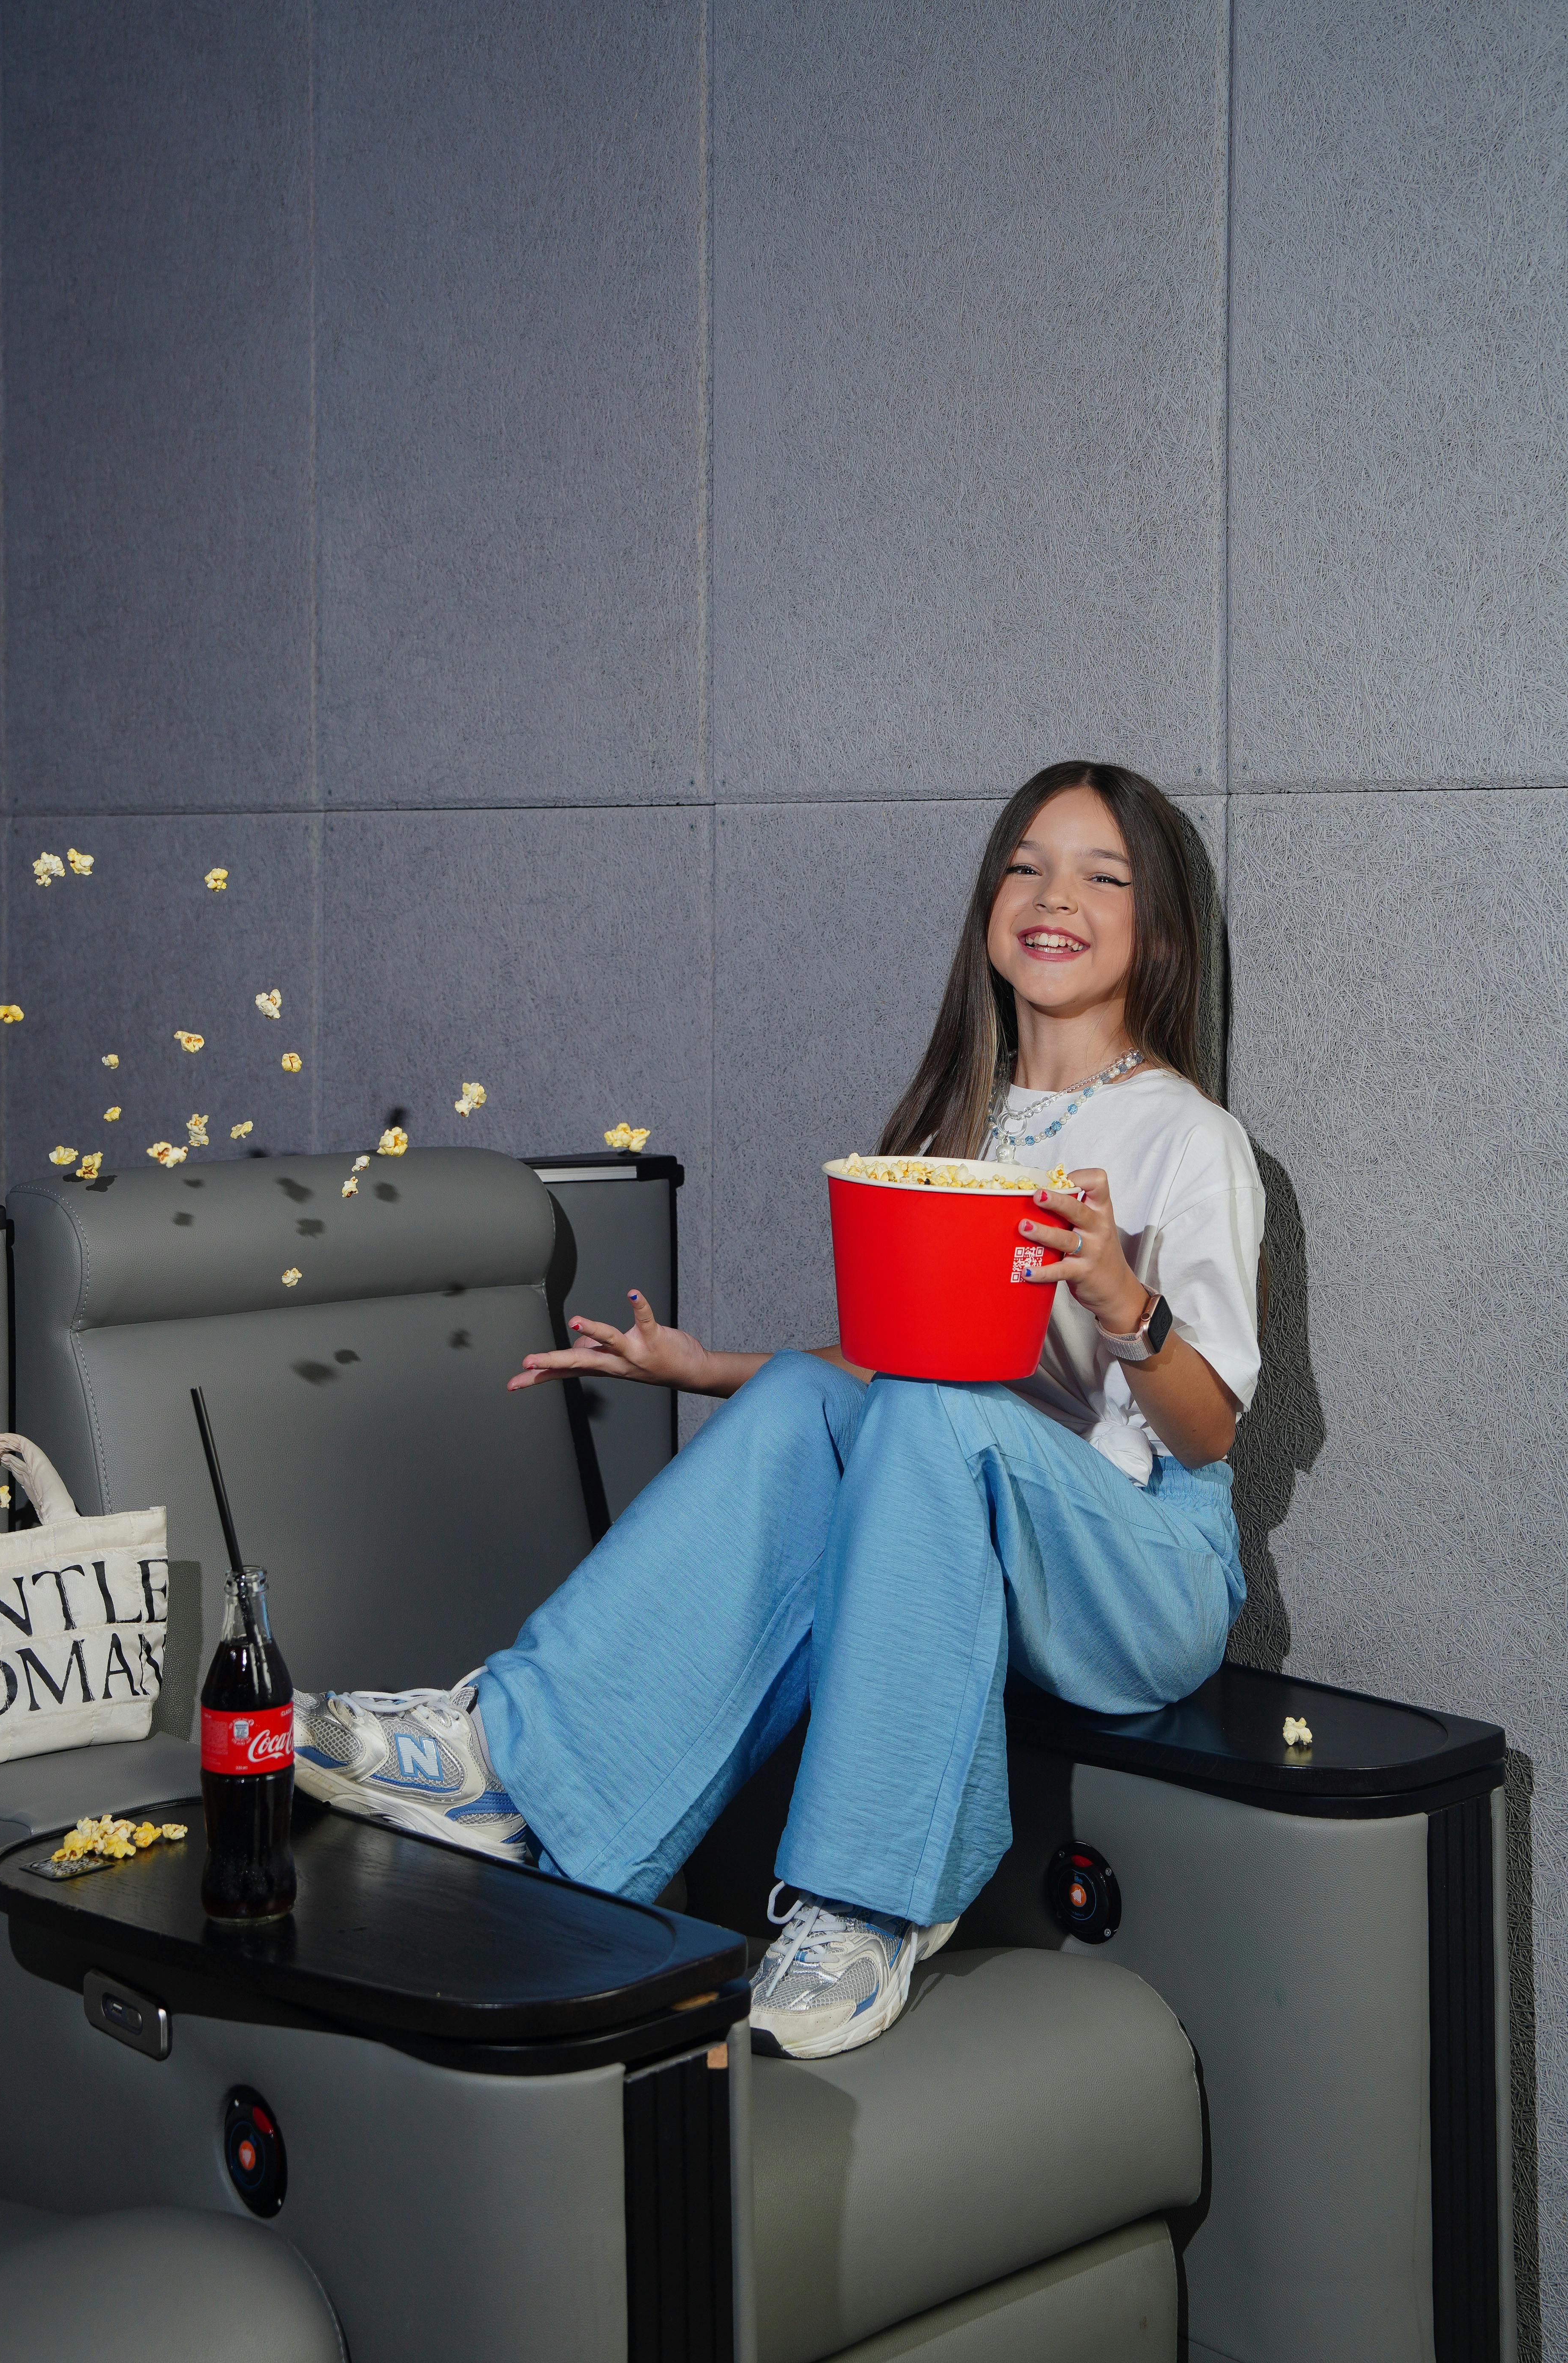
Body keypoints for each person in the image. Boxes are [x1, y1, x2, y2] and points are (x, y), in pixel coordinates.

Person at [293, 761, 1265, 2060]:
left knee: (925, 1415)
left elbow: (1209, 1433)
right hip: (980, 1526)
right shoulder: (964, 1124)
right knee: (826, 1391)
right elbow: (892, 1366)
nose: (1055, 897)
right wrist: (705, 1372)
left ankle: (870, 1900)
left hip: (1145, 1566)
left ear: (1159, 927)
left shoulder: (1189, 1139)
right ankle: (508, 1766)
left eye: (1104, 876)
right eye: (1027, 865)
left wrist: (1121, 1296)